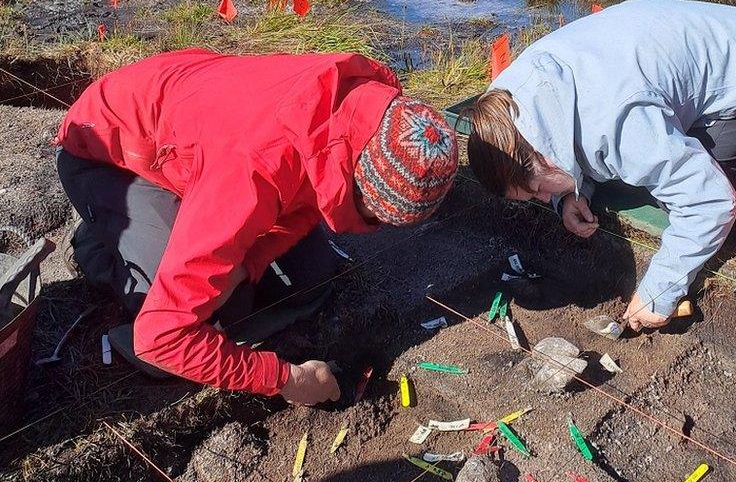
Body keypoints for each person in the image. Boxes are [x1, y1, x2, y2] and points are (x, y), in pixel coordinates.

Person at [55, 49, 458, 405]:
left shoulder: (354, 112)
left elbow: (308, 203)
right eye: (378, 217)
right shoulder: (251, 175)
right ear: (357, 181)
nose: (377, 228)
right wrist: (286, 379)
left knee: (308, 277)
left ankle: (157, 235)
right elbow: (162, 338)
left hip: (193, 129)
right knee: (202, 328)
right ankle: (98, 244)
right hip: (108, 154)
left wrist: (248, 263)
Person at [463, 0, 736, 332]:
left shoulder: (616, 124)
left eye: (536, 193)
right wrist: (570, 194)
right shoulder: (516, 100)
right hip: (670, 45)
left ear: (540, 160)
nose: (543, 200)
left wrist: (659, 290)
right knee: (626, 166)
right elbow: (562, 142)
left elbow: (711, 201)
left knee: (697, 198)